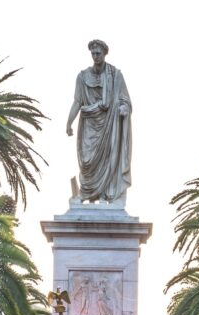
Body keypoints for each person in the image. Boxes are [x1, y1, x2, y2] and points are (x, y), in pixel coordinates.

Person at [66, 39, 132, 204]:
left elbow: (125, 99)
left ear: (104, 54)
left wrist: (124, 108)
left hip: (109, 125)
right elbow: (77, 101)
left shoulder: (115, 75)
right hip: (89, 124)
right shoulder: (82, 77)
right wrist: (69, 122)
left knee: (108, 159)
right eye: (93, 53)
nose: (95, 56)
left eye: (98, 53)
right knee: (87, 161)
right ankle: (86, 192)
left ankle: (104, 194)